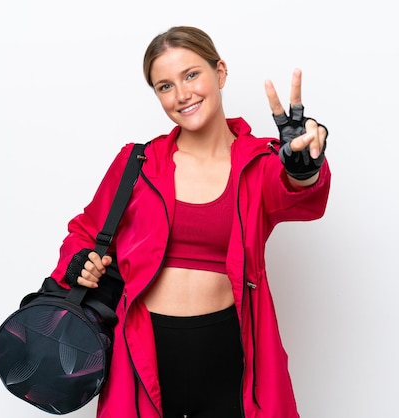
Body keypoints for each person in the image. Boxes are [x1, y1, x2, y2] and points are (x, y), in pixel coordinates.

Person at [49, 26, 331, 418]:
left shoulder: (260, 162)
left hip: (230, 352)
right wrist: (80, 262)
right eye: (164, 86)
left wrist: (305, 169)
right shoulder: (138, 163)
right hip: (145, 352)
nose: (182, 95)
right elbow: (85, 231)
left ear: (220, 73)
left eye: (191, 75)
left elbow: (300, 196)